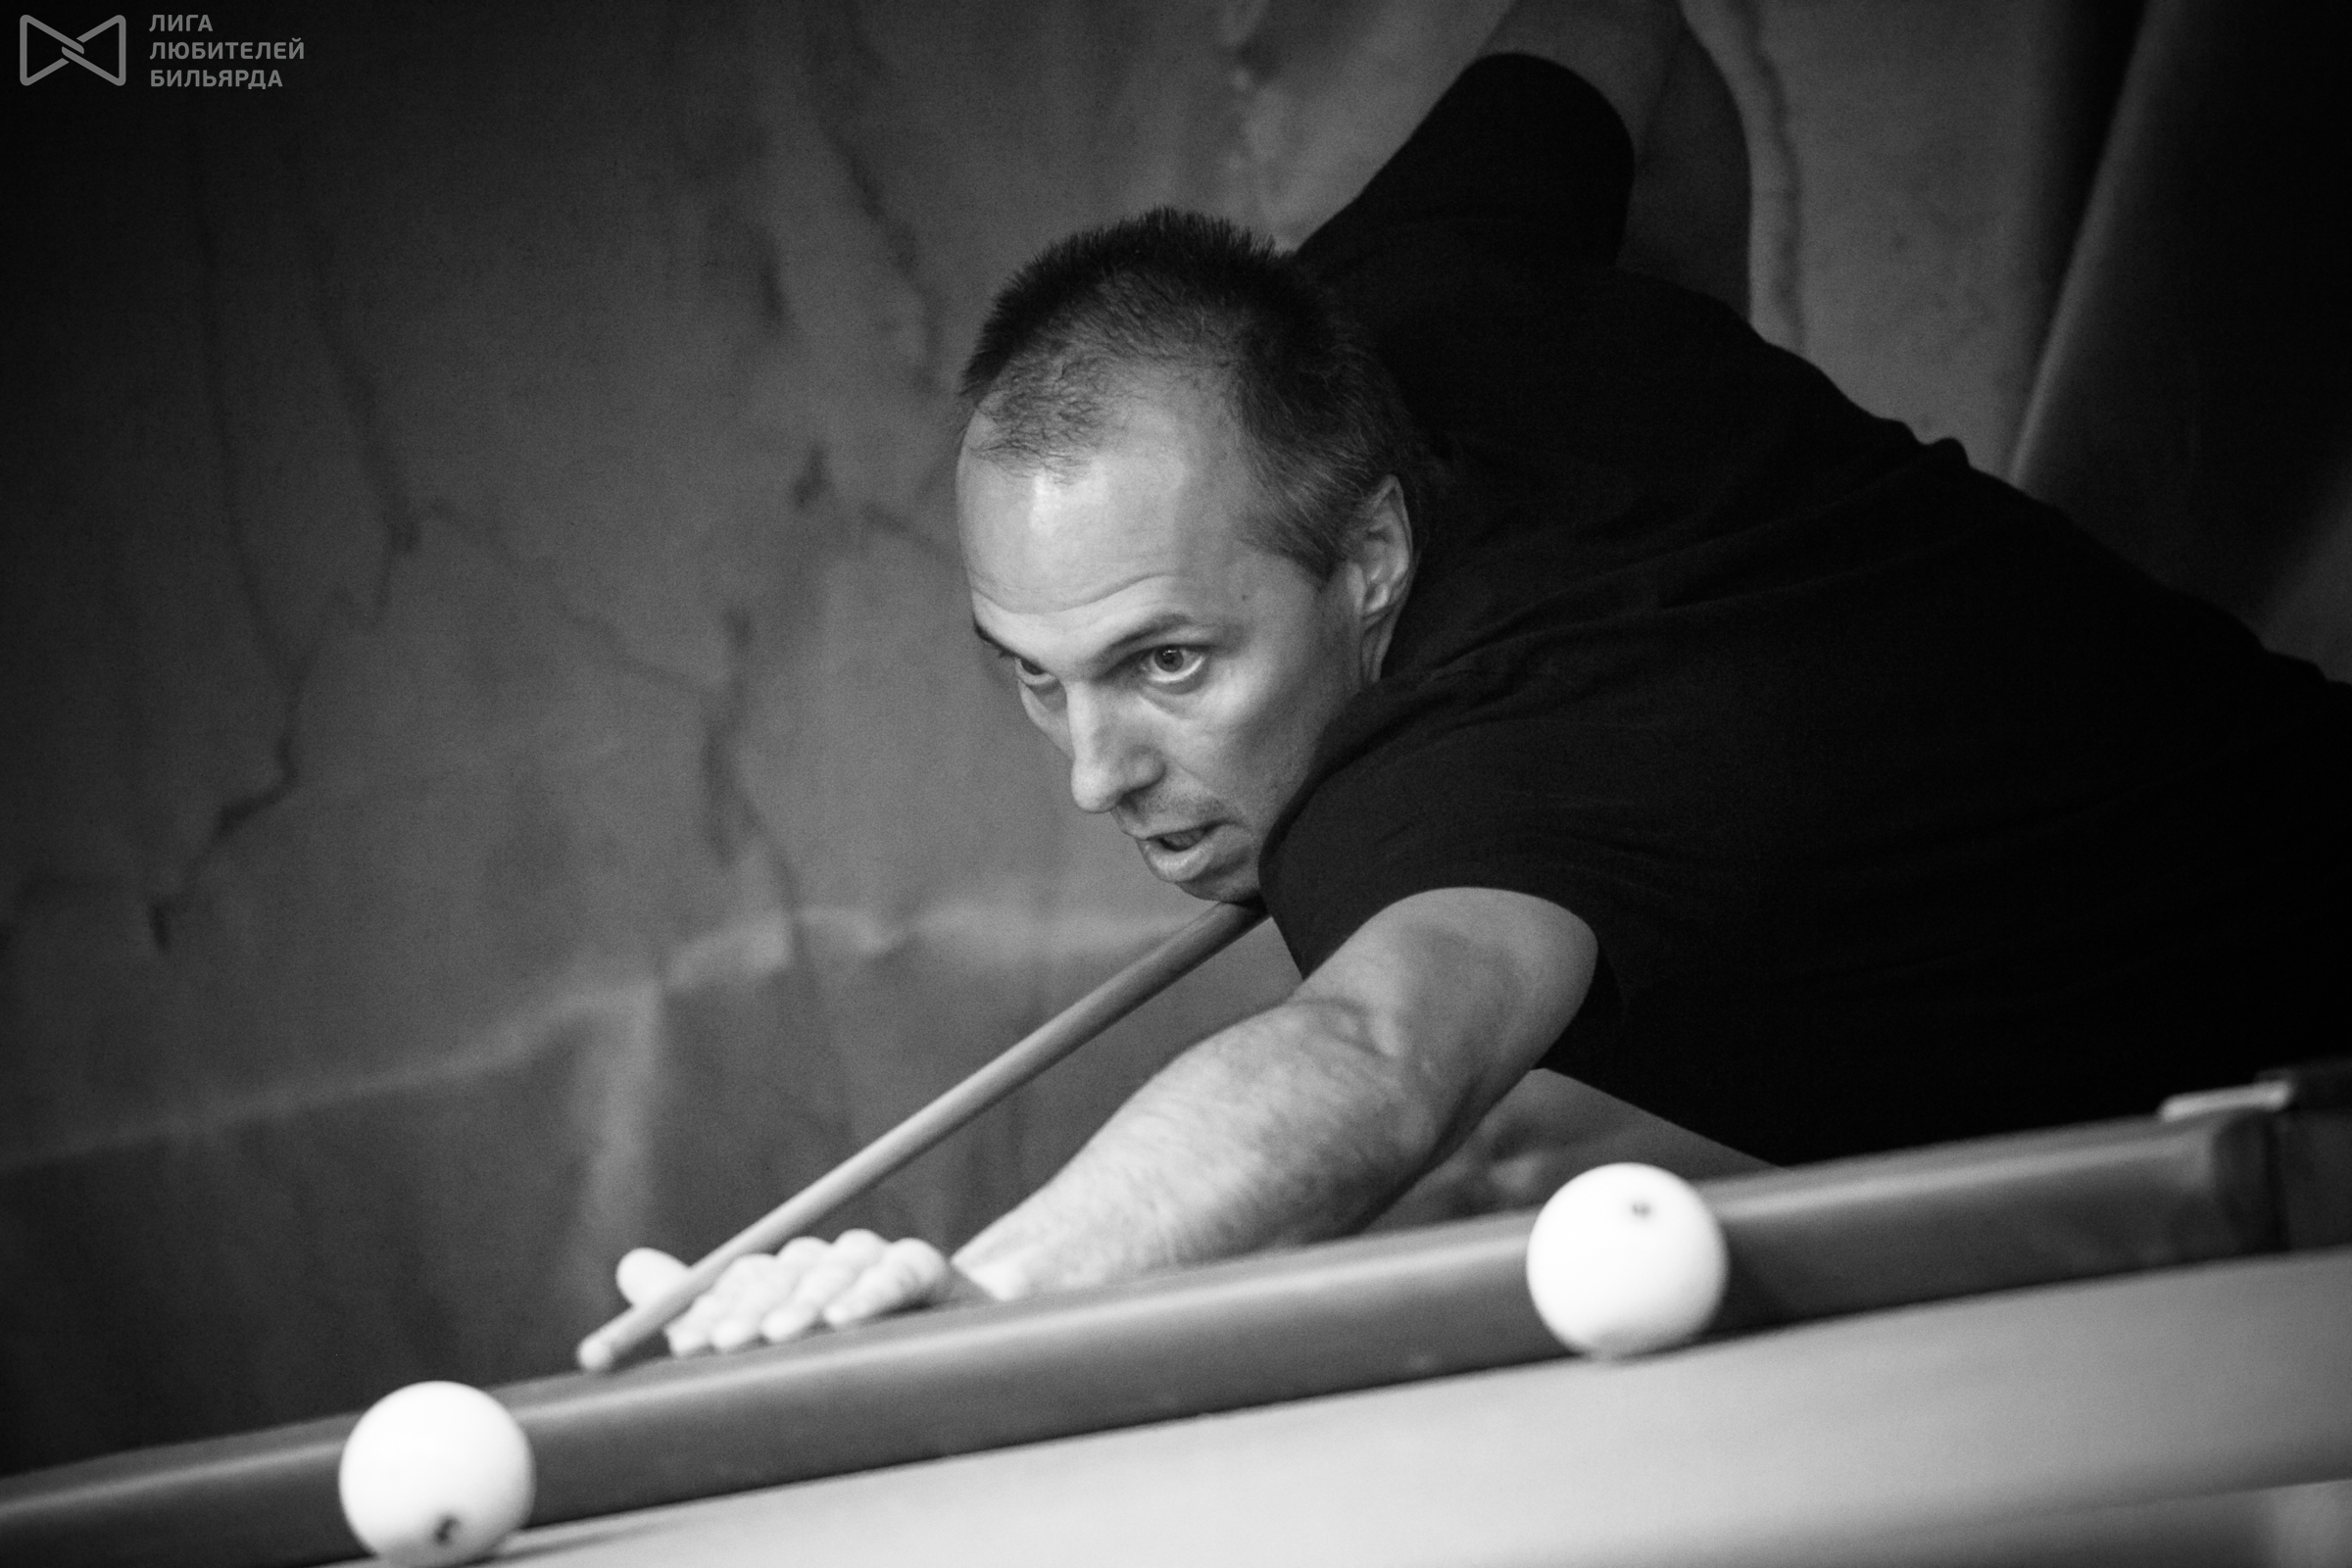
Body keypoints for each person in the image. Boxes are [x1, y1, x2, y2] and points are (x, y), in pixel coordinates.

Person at [616, 0, 2352, 1354]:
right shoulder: (1417, 282)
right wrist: (1695, 374)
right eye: (1034, 675)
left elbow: (1370, 1056)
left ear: (1370, 556)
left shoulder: (1461, 791)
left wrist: (982, 1301)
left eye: (1167, 662)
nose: (1095, 774)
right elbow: (1622, 34)